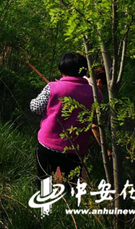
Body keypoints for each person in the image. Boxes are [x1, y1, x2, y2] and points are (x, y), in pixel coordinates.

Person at [29, 52, 102, 188]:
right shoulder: (96, 94)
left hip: (48, 145)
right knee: (71, 185)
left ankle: (44, 208)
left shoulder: (53, 87)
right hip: (76, 149)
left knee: (44, 182)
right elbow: (95, 119)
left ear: (62, 69)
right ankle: (69, 208)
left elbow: (35, 108)